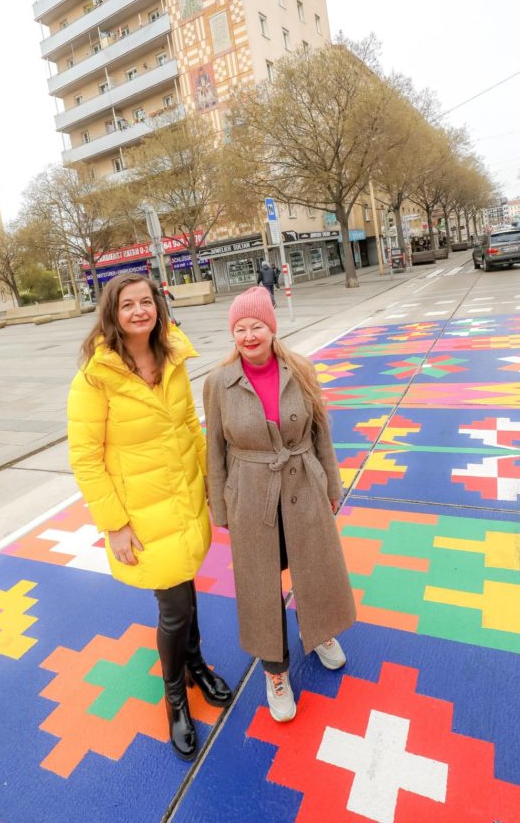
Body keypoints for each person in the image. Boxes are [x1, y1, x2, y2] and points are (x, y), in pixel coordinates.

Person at [67, 272, 231, 761]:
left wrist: (209, 482)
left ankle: (197, 663)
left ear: (158, 306)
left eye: (146, 301)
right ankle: (176, 696)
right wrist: (114, 524)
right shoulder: (96, 376)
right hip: (140, 512)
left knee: (187, 583)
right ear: (112, 314)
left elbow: (188, 425)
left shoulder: (172, 356)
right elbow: (85, 457)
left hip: (182, 498)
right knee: (174, 606)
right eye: (127, 304)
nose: (139, 311)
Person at [203, 287, 356, 723]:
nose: (248, 335)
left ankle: (321, 631)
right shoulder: (217, 383)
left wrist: (331, 484)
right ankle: (276, 671)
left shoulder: (301, 369)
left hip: (304, 483)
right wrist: (221, 506)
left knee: (314, 565)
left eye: (256, 326)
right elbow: (213, 448)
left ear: (272, 327)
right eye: (239, 328)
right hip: (251, 495)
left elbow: (320, 433)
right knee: (259, 584)